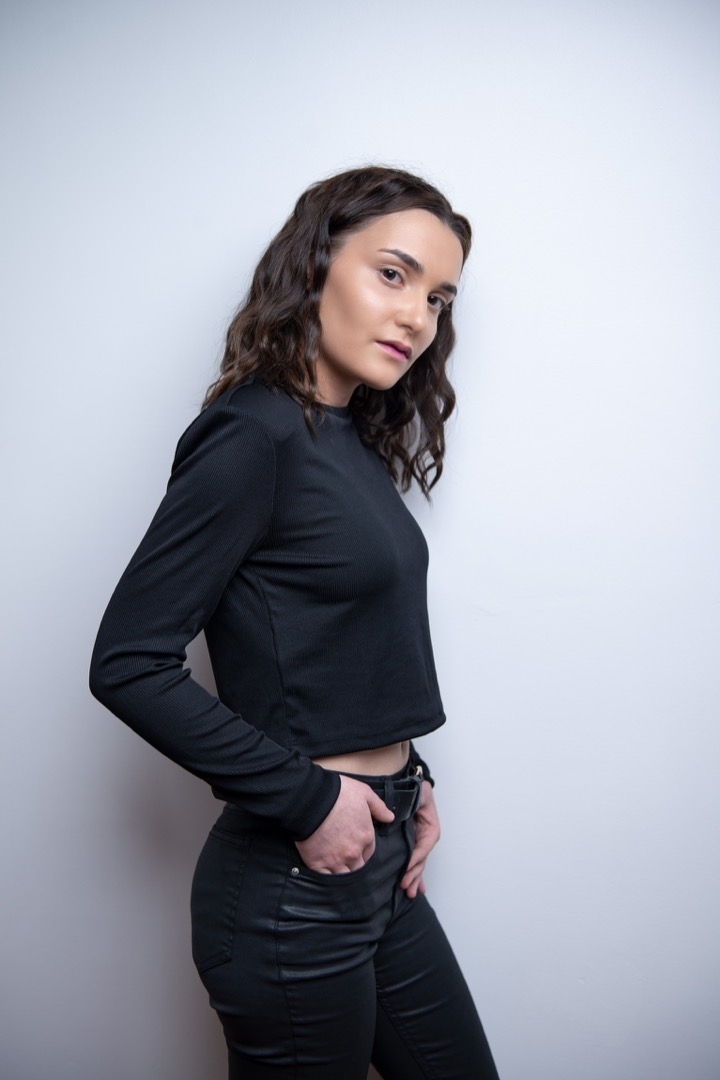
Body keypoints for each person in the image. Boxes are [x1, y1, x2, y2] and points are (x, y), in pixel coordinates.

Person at [90, 165, 500, 1079]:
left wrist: (406, 778)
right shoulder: (254, 433)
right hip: (292, 888)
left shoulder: (346, 437)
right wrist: (312, 799)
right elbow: (128, 662)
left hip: (383, 854)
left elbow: (329, 645)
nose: (417, 317)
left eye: (438, 298)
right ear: (314, 264)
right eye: (392, 275)